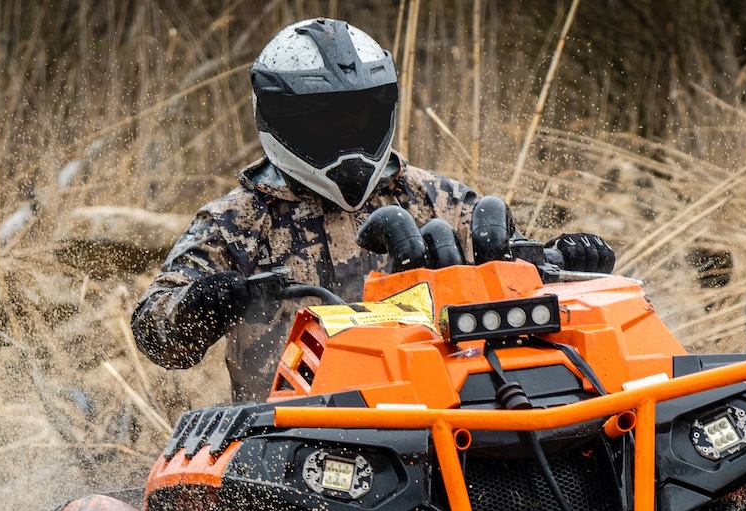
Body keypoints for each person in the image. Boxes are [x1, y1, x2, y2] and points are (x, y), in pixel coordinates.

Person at [130, 17, 614, 402]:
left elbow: (519, 286)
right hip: (289, 447)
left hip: (447, 423)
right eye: (324, 122)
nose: (346, 136)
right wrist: (200, 305)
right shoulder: (237, 223)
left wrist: (569, 265)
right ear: (279, 119)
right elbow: (155, 335)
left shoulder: (436, 200)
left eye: (358, 115)